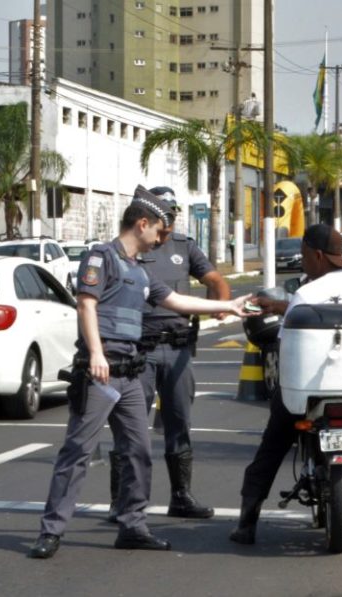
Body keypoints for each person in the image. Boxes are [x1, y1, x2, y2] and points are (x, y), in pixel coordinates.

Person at [29, 186, 252, 558]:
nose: (160, 239)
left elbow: (177, 301)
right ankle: (51, 531)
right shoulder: (102, 258)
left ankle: (133, 525)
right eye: (158, 231)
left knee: (138, 451)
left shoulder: (140, 271)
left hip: (131, 374)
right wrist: (97, 353)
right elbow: (86, 305)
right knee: (77, 452)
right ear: (142, 223)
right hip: (101, 372)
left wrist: (229, 304)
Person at [229, 224, 342, 545]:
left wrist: (284, 309)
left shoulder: (305, 293)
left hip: (311, 391)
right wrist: (287, 307)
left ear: (316, 255)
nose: (302, 262)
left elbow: (290, 337)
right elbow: (333, 308)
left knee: (271, 447)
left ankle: (247, 522)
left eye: (303, 255)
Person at [119, 186, 230, 521]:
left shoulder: (185, 246)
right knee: (132, 427)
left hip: (178, 348)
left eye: (171, 218)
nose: (166, 229)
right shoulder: (133, 246)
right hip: (142, 349)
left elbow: (214, 278)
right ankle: (120, 500)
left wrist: (222, 302)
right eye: (163, 218)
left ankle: (181, 496)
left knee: (179, 423)